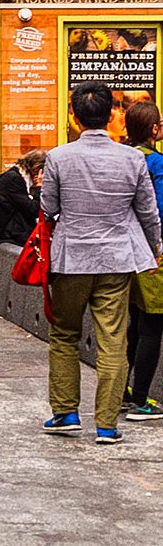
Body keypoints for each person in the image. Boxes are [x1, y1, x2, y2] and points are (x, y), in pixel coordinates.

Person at [42, 83, 163, 443]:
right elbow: (147, 212)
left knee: (65, 334)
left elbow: (48, 209)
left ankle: (65, 413)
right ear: (111, 115)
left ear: (76, 117)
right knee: (113, 338)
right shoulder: (132, 159)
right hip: (116, 260)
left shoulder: (59, 157)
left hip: (71, 259)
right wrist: (155, 247)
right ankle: (108, 425)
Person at [127, 99, 163, 422]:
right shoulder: (156, 164)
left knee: (134, 325)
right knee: (153, 325)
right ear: (154, 130)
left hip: (125, 254)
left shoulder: (125, 157)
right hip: (153, 255)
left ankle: (125, 392)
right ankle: (141, 400)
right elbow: (160, 211)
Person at [0, 149, 47, 247]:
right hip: (10, 234)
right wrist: (39, 186)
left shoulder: (17, 176)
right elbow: (33, 209)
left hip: (12, 231)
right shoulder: (14, 180)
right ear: (37, 169)